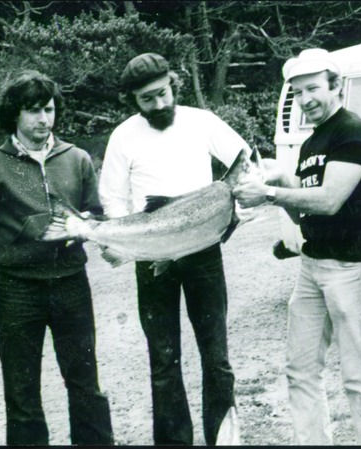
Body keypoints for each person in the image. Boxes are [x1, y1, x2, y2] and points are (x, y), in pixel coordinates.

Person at [234, 48, 361, 445]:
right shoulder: (311, 143)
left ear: (336, 86)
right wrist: (283, 182)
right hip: (313, 266)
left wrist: (269, 193)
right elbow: (306, 218)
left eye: (313, 89)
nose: (305, 100)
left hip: (353, 268)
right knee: (300, 369)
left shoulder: (351, 131)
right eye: (298, 92)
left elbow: (330, 200)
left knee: (359, 377)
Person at [98, 52, 249, 446]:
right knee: (164, 360)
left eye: (163, 93)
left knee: (216, 356)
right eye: (147, 99)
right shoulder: (123, 136)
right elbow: (112, 199)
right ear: (133, 101)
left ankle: (224, 440)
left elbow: (244, 161)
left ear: (174, 83)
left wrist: (232, 209)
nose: (159, 105)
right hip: (151, 256)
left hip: (202, 252)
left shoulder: (202, 121)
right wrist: (129, 240)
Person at [0, 70, 114, 445]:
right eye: (33, 110)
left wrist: (86, 225)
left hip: (71, 286)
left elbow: (96, 215)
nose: (44, 119)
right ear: (15, 114)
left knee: (84, 384)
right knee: (22, 393)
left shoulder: (76, 159)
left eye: (49, 109)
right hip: (18, 291)